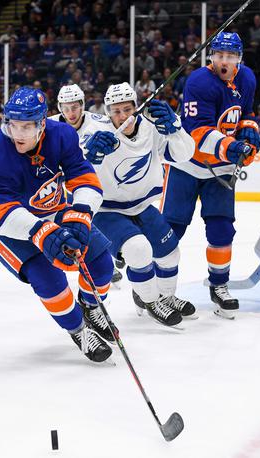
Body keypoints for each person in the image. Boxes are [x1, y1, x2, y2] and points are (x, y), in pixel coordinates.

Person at [0, 87, 114, 363]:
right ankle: (78, 329)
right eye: (13, 125)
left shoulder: (62, 135)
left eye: (27, 126)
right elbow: (3, 212)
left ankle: (90, 305)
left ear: (42, 123)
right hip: (4, 223)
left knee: (101, 263)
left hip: (51, 207)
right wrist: (42, 232)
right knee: (50, 280)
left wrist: (81, 214)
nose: (19, 134)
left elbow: (83, 176)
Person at [160, 32, 258, 319]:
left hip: (221, 169)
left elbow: (247, 113)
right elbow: (198, 132)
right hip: (186, 163)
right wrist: (232, 147)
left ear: (239, 58)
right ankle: (155, 291)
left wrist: (249, 133)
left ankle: (220, 286)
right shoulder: (199, 82)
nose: (224, 61)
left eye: (230, 56)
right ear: (211, 56)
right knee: (171, 230)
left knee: (221, 229)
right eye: (219, 55)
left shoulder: (248, 78)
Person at [86, 83, 197, 327]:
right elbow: (79, 173)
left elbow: (184, 155)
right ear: (107, 112)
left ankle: (167, 296)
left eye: (127, 109)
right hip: (108, 211)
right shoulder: (95, 133)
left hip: (142, 206)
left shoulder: (151, 129)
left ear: (136, 108)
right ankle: (150, 300)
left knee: (170, 254)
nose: (122, 116)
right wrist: (91, 157)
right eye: (115, 111)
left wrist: (175, 129)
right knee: (138, 250)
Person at [47, 84, 124, 286]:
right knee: (79, 221)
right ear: (59, 107)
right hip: (64, 186)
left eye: (74, 107)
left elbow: (120, 141)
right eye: (65, 108)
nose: (70, 113)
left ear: (82, 105)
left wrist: (112, 144)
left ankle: (112, 252)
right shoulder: (48, 126)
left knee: (94, 218)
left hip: (96, 182)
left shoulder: (100, 122)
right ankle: (105, 257)